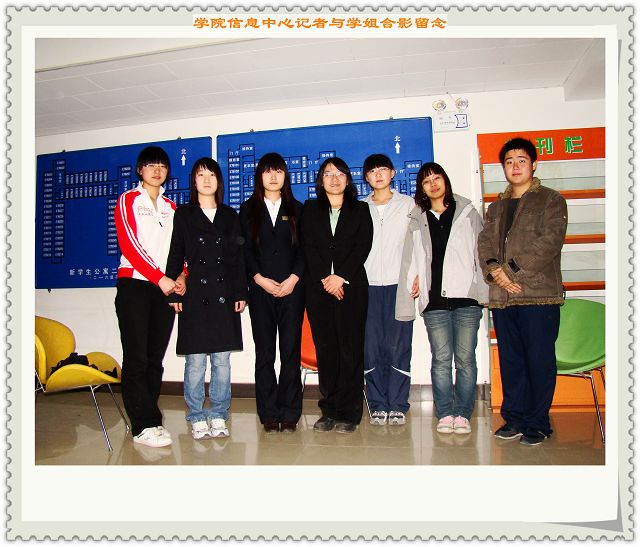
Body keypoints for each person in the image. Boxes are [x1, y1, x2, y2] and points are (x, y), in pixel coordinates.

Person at [477, 137, 568, 446]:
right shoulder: (496, 207)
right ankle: (514, 418)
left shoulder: (551, 200)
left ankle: (538, 422)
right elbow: (485, 243)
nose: (515, 166)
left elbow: (549, 242)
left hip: (537, 295)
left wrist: (510, 270)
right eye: (509, 162)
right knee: (512, 360)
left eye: (521, 160)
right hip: (503, 298)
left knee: (538, 360)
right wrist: (496, 272)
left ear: (534, 164)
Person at [396, 162, 488, 435]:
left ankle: (463, 414)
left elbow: (481, 252)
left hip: (466, 298)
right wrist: (414, 280)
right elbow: (410, 257)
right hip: (434, 300)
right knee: (441, 359)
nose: (433, 184)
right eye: (427, 181)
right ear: (421, 188)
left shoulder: (467, 211)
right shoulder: (418, 217)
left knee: (466, 359)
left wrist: (482, 291)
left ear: (445, 180)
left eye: (437, 178)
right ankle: (445, 413)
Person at [165, 157, 247, 440]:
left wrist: (241, 292)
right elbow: (176, 252)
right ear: (194, 181)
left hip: (224, 295)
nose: (207, 180)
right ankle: (197, 415)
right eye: (201, 175)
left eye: (211, 175)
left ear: (218, 181)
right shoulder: (184, 214)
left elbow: (237, 258)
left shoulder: (230, 215)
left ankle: (219, 413)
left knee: (222, 361)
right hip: (195, 295)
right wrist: (173, 291)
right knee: (196, 362)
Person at [114, 145, 184, 448]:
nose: (157, 171)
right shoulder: (128, 200)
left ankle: (151, 419)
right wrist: (160, 277)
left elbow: (179, 248)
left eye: (162, 166)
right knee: (137, 357)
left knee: (155, 358)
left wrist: (181, 276)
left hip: (164, 289)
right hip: (135, 285)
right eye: (151, 165)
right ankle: (142, 425)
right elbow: (130, 244)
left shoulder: (171, 207)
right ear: (140, 170)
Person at [301, 157, 373, 433]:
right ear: (321, 180)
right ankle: (329, 411)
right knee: (327, 351)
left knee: (350, 350)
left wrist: (340, 276)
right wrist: (326, 279)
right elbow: (307, 246)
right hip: (319, 290)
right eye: (328, 174)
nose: (334, 179)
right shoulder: (310, 209)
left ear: (347, 179)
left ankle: (350, 413)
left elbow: (362, 245)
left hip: (352, 288)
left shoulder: (360, 209)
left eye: (340, 173)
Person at [239, 152, 305, 434]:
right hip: (260, 290)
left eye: (278, 171)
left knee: (290, 352)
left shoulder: (298, 208)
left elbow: (304, 249)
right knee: (265, 352)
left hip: (293, 290)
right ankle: (268, 412)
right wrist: (258, 278)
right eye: (268, 171)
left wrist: (294, 278)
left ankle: (290, 413)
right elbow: (245, 249)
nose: (273, 176)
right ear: (260, 177)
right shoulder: (248, 209)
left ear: (285, 175)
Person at [361, 153, 415, 426]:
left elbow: (418, 243)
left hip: (399, 285)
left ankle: (398, 404)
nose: (379, 174)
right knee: (371, 347)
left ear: (393, 173)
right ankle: (378, 404)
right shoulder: (359, 207)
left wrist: (416, 275)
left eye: (383, 169)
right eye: (373, 171)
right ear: (366, 177)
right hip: (367, 286)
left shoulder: (409, 205)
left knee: (398, 346)